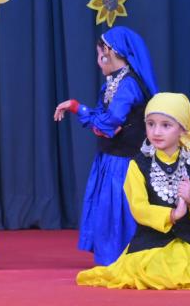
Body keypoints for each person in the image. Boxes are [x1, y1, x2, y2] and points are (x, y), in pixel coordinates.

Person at [77, 92, 190, 289]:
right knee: (158, 273)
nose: (156, 132)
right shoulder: (138, 166)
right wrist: (172, 215)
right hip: (150, 247)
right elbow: (139, 208)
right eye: (150, 124)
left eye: (166, 125)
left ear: (183, 129)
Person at [54, 27, 158, 265]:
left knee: (120, 206)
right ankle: (115, 257)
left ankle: (125, 257)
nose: (98, 61)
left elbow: (110, 121)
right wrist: (78, 108)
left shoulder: (129, 84)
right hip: (110, 157)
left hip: (124, 161)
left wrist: (100, 122)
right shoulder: (113, 84)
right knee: (108, 207)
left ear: (108, 52)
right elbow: (103, 121)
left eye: (99, 54)